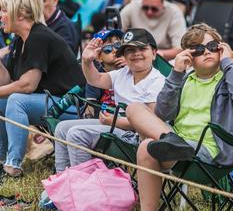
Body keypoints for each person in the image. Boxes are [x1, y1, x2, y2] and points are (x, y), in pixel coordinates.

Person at [126, 23, 233, 210]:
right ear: (189, 57)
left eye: (213, 47)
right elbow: (163, 113)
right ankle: (172, 143)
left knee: (147, 146)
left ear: (222, 50)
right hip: (178, 144)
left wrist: (229, 62)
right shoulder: (186, 79)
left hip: (210, 150)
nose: (207, 52)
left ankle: (172, 143)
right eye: (199, 50)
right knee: (134, 108)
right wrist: (176, 72)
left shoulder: (230, 77)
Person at [0, 0, 85, 177]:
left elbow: (27, 85)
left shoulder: (38, 37)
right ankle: (3, 159)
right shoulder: (21, 39)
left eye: (4, 10)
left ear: (20, 12)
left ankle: (13, 166)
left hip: (76, 108)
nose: (0, 15)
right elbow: (9, 81)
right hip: (53, 102)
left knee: (16, 100)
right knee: (3, 100)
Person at [54, 28, 165, 172]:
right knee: (61, 128)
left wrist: (113, 121)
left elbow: (150, 125)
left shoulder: (157, 81)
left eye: (142, 48)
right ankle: (62, 181)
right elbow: (96, 79)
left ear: (154, 53)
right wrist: (87, 61)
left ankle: (83, 187)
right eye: (130, 50)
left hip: (137, 138)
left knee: (77, 133)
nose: (136, 53)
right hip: (116, 127)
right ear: (124, 55)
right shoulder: (123, 74)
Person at [121, 0, 186, 61]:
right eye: (145, 8)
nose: (149, 12)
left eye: (154, 9)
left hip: (162, 58)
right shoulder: (133, 6)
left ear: (163, 4)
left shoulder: (174, 12)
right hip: (134, 55)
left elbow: (180, 49)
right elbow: (114, 32)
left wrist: (156, 54)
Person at [84, 28, 124, 118]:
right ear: (98, 57)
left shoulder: (130, 70)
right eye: (108, 49)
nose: (115, 50)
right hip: (103, 119)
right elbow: (89, 106)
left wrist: (129, 64)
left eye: (118, 45)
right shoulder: (95, 76)